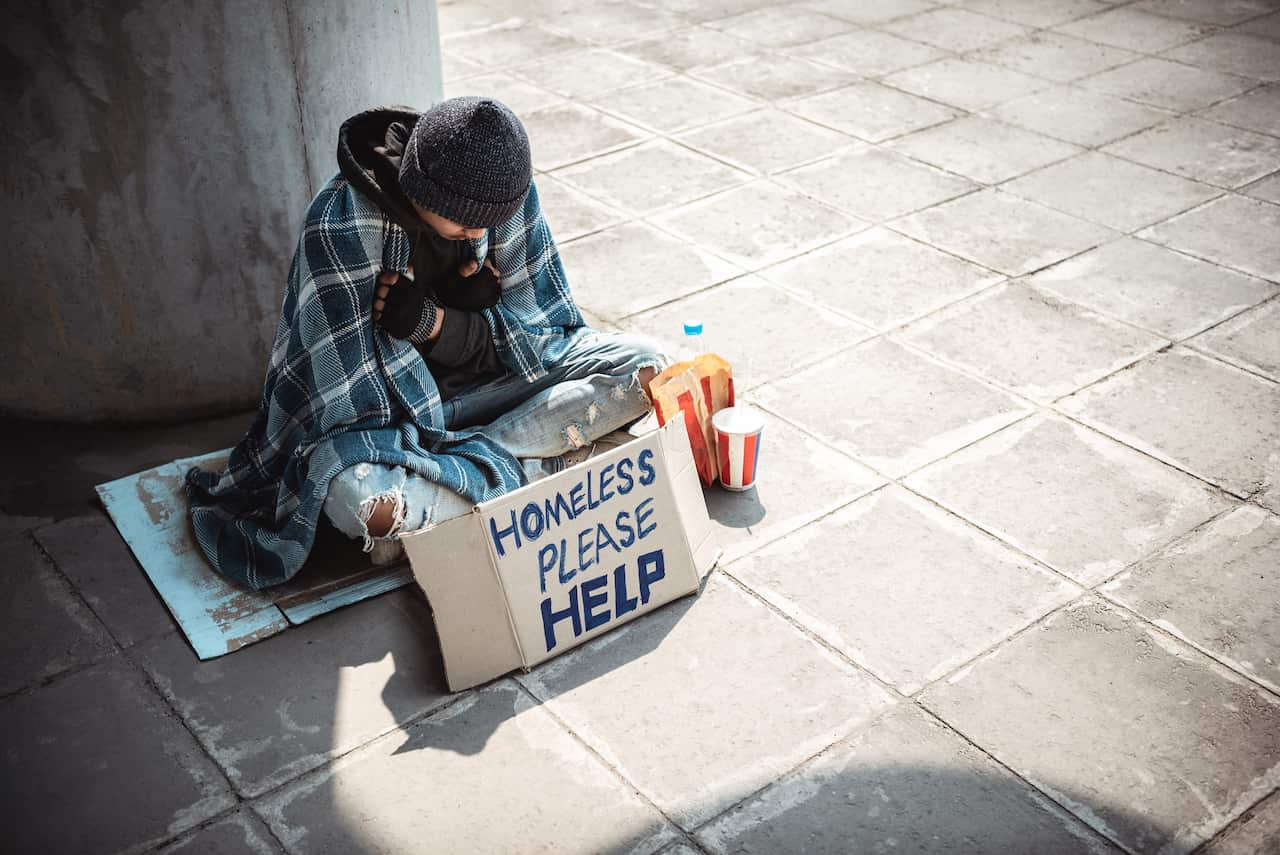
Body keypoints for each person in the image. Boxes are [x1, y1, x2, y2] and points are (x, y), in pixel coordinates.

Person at [185, 97, 667, 590]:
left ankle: (465, 487)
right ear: (423, 189)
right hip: (398, 422)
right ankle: (549, 465)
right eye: (465, 222)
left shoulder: (501, 192)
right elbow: (351, 407)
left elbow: (542, 338)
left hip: (490, 393)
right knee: (364, 504)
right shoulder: (340, 223)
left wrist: (444, 323)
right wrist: (435, 328)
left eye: (490, 221)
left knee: (646, 366)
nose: (480, 232)